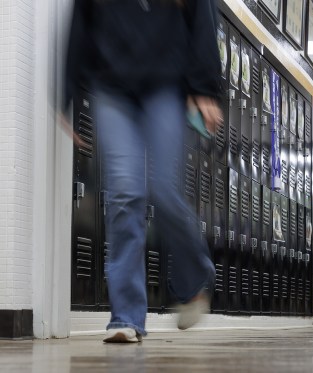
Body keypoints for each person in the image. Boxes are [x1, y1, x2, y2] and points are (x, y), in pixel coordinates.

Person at [63, 0, 223, 343]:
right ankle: (125, 317)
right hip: (111, 87)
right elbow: (80, 25)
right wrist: (67, 92)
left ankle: (194, 280)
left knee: (162, 189)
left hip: (166, 87)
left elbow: (204, 23)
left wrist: (206, 87)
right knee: (124, 193)